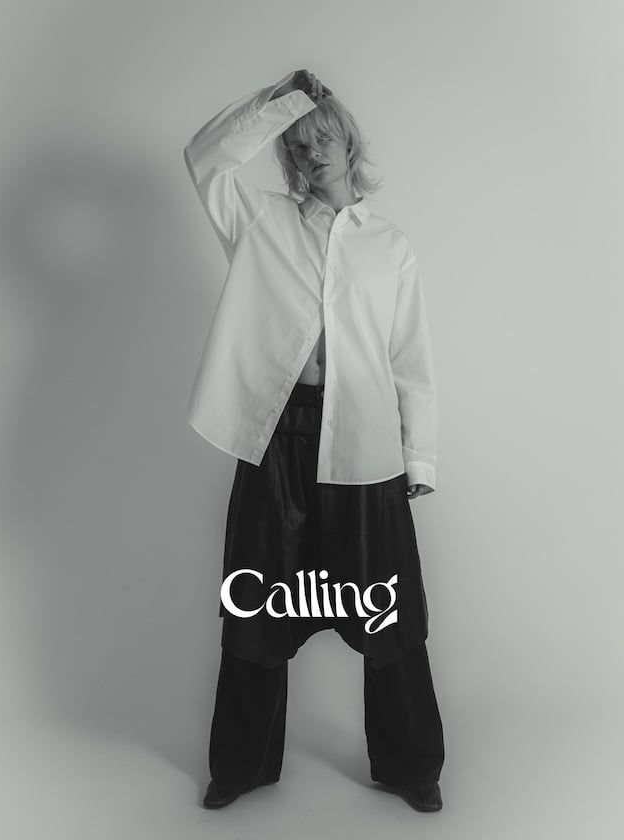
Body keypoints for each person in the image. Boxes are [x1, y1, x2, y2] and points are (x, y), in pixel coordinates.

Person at [182, 69, 445, 813]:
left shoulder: (389, 246)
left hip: (364, 443)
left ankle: (411, 766)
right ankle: (240, 765)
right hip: (277, 436)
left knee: (389, 610)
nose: (311, 152)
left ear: (349, 141)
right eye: (297, 144)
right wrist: (284, 101)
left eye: (323, 136)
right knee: (255, 604)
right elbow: (204, 159)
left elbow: (410, 360)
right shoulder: (261, 221)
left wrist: (418, 456)